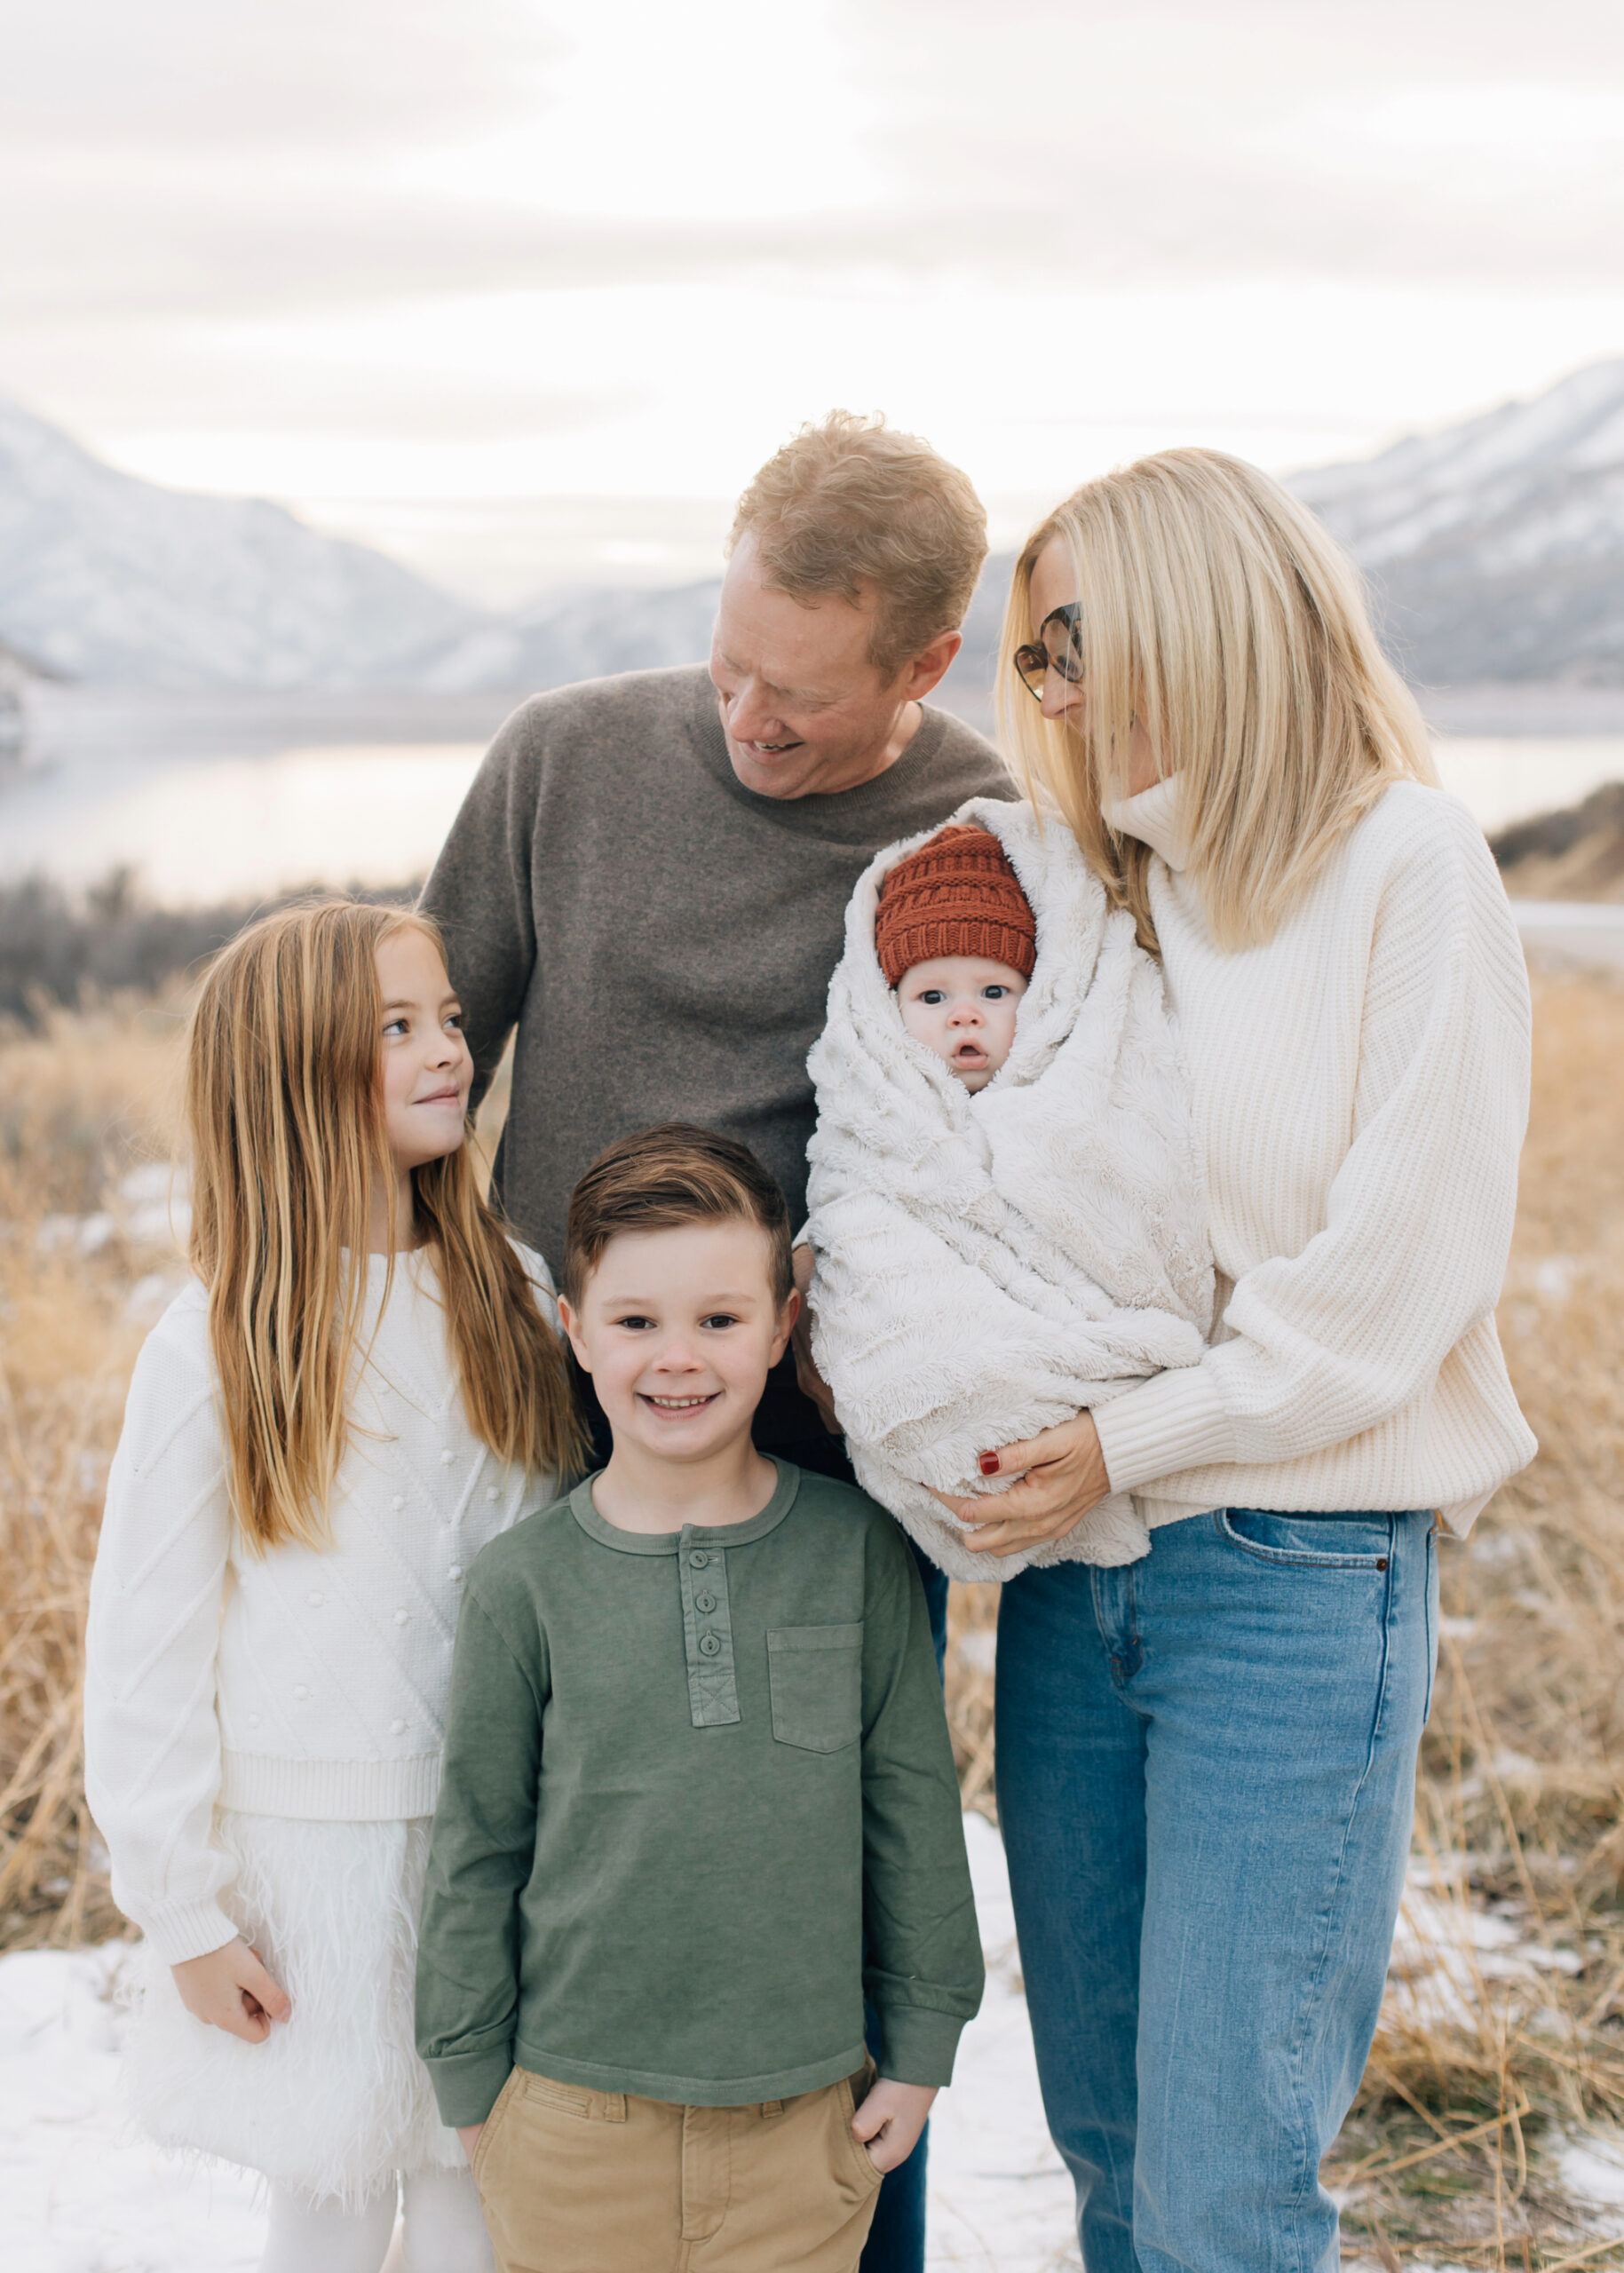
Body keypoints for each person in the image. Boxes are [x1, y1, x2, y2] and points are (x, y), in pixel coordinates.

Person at [934, 449, 1536, 2272]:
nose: (1047, 694)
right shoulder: (1099, 901)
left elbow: (1382, 1285)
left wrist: (1132, 1434)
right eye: (1025, 662)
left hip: (1289, 1575)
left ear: (1202, 609)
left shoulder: (1403, 863)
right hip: (1070, 1583)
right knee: (1107, 2157)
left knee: (1220, 2194)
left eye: (1069, 643)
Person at [420, 409, 1010, 2262]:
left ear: (922, 663)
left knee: (832, 1865)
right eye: (729, 662)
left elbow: (1016, 1121)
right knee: (559, 1829)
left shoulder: (976, 826)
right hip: (546, 1392)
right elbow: (420, 1072)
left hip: (824, 1432)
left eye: (802, 698)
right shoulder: (563, 758)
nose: (748, 719)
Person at [83, 900, 585, 2273]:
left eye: (450, 1021)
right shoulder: (220, 1343)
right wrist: (182, 1911)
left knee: (486, 2214)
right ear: (295, 1071)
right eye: (396, 1029)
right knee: (332, 2204)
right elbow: (146, 1653)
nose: (448, 1053)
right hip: (314, 1869)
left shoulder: (514, 1292)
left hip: (496, 1847)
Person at [414, 1124, 984, 2273]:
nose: (678, 1358)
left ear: (781, 1328)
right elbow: (477, 1845)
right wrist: (473, 2087)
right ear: (573, 1331)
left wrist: (924, 2043)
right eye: (635, 1322)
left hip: (801, 2127)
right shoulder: (523, 1587)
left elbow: (912, 1809)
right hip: (569, 2127)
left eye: (719, 1320)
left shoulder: (856, 1551)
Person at [802, 810, 1212, 1580]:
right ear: (885, 1009)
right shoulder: (878, 1106)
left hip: (1086, 1360)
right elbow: (851, 1210)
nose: (964, 1014)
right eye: (931, 997)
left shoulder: (1072, 1094)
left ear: (1043, 996)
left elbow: (1128, 1193)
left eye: (994, 990)